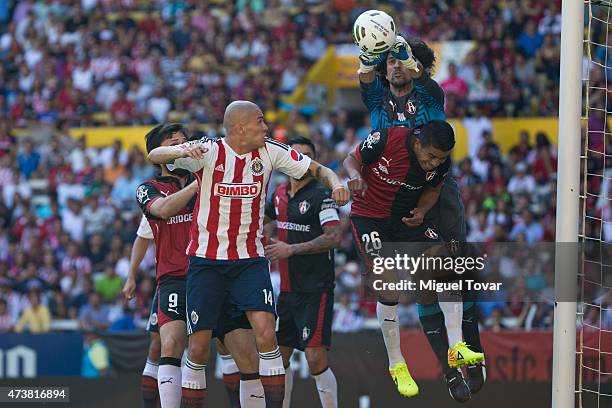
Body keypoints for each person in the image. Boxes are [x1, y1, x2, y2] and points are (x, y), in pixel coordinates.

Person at [147, 100, 350, 407]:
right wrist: (180, 151)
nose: (265, 126)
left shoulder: (271, 150)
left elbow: (317, 169)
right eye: (260, 121)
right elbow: (154, 154)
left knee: (267, 335)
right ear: (240, 128)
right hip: (206, 261)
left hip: (249, 261)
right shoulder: (208, 151)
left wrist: (336, 183)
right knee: (199, 347)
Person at [357, 35, 486, 396]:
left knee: (456, 267)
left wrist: (400, 47)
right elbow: (365, 77)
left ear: (417, 65)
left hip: (436, 191)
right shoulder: (377, 95)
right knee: (421, 285)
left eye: (402, 60)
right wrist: (372, 51)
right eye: (391, 61)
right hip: (395, 195)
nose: (396, 65)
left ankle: (470, 350)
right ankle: (448, 371)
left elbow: (416, 70)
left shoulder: (430, 93)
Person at [344, 121, 483, 403]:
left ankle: (456, 346)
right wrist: (353, 177)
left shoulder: (439, 163)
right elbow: (351, 159)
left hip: (406, 219)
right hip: (369, 218)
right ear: (417, 142)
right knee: (390, 285)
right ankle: (397, 364)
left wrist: (421, 209)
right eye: (431, 156)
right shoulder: (387, 138)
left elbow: (433, 189)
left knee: (447, 260)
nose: (434, 162)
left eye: (441, 159)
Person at [264, 136, 341, 408]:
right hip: (286, 291)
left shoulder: (322, 195)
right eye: (295, 155)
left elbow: (334, 237)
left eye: (307, 156)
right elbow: (263, 221)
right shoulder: (279, 194)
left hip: (315, 289)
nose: (301, 161)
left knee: (315, 359)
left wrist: (291, 250)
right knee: (279, 359)